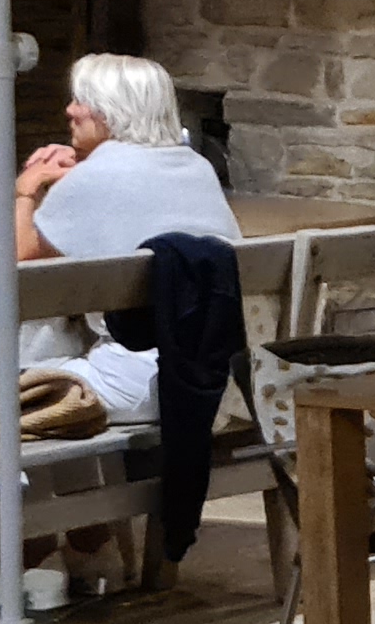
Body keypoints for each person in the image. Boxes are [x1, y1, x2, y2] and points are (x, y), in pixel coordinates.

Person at [15, 54, 239, 423]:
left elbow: (20, 263)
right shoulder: (197, 168)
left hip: (129, 384)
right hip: (211, 375)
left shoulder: (92, 178)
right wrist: (84, 166)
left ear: (110, 111)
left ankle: (21, 384)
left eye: (81, 100)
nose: (69, 109)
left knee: (37, 322)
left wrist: (27, 188)